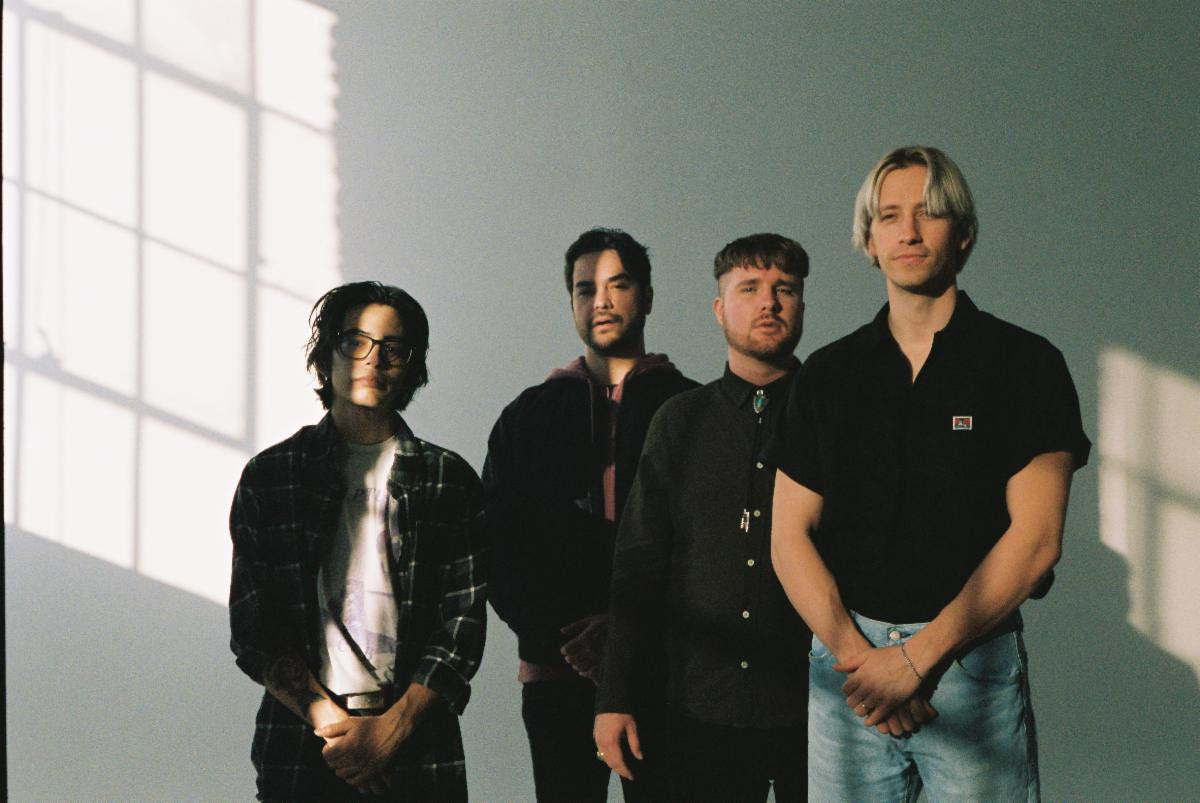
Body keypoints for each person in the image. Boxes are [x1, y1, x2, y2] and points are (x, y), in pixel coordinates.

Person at [771, 146, 1090, 800]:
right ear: (869, 241)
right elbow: (787, 536)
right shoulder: (827, 375)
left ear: (963, 232)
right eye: (889, 216)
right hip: (847, 669)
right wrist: (865, 663)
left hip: (969, 667)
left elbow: (1037, 541)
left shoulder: (1026, 365)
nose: (909, 231)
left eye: (929, 212)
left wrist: (915, 661)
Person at [229, 281, 486, 801]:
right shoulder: (273, 476)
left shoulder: (448, 479)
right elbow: (255, 626)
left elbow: (461, 625)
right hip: (302, 745)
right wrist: (337, 731)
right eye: (355, 341)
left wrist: (392, 730)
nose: (374, 359)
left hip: (418, 746)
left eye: (393, 347)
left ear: (412, 366)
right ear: (327, 355)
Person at [594, 233, 811, 801]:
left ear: (802, 305)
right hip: (699, 710)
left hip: (817, 711)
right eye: (749, 288)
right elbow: (637, 566)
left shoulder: (832, 417)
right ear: (719, 309)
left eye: (785, 289)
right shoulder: (679, 421)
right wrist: (614, 697)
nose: (769, 303)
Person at [484, 228, 698, 801]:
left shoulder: (692, 408)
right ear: (572, 302)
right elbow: (498, 548)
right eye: (585, 289)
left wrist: (628, 634)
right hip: (557, 672)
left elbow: (708, 548)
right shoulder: (526, 416)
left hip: (666, 673)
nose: (600, 301)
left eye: (617, 285)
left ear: (647, 297)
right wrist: (571, 638)